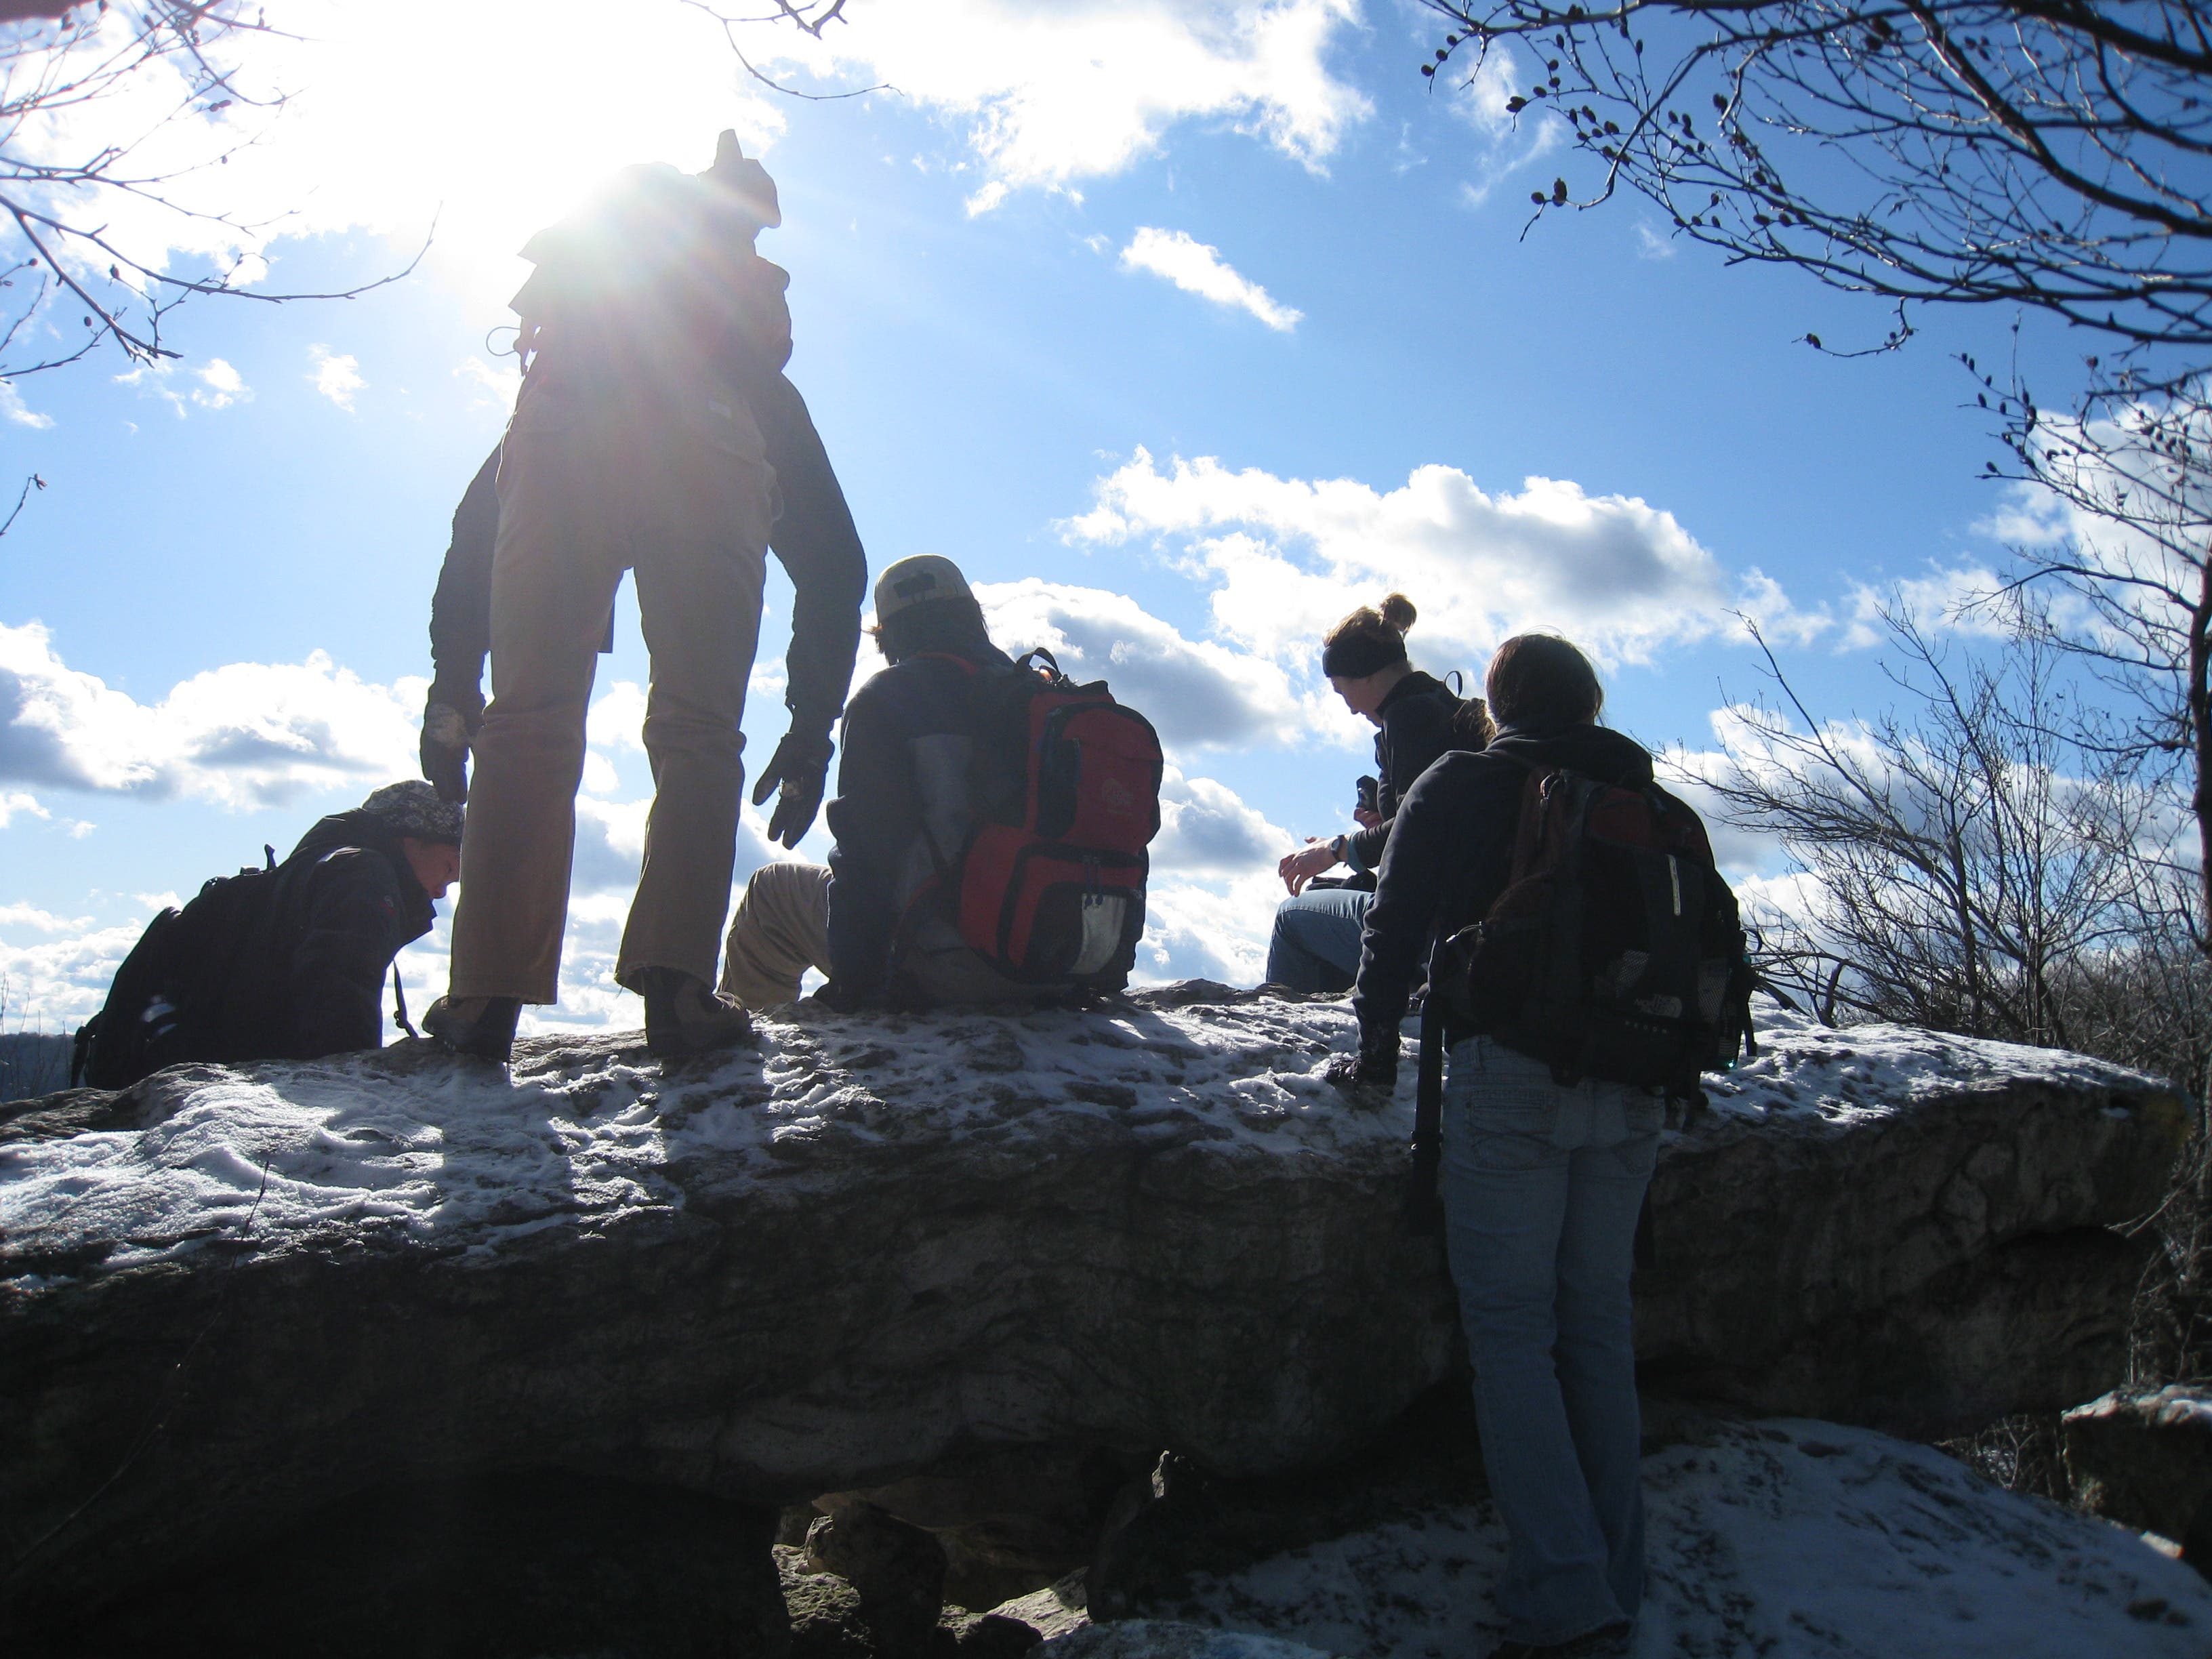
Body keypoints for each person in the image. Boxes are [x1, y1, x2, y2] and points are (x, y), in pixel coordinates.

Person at [416, 132, 863, 1065]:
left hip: (557, 439)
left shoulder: (577, 348)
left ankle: (482, 1006)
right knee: (699, 731)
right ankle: (679, 997)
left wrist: (455, 688)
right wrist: (812, 722)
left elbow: (472, 529)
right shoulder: (749, 375)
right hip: (713, 444)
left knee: (528, 721)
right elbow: (836, 563)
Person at [1345, 635, 1659, 1659]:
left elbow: (1392, 926)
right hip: (1634, 1079)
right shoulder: (1636, 788)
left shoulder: (1465, 779)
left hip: (1508, 1075)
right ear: (1590, 701)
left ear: (1500, 700)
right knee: (1598, 1329)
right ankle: (1618, 1571)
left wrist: (1377, 1046)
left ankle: (1568, 1603)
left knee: (1514, 1334)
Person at [716, 553, 1071, 1012]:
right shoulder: (1043, 694)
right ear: (973, 615)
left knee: (771, 888)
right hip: (1059, 963)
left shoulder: (888, 699)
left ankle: (748, 1040)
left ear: (887, 634)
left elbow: (868, 857)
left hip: (954, 968)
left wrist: (856, 986)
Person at [73, 781, 465, 1085]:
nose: (441, 891)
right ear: (410, 839)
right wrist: (354, 1088)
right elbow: (339, 990)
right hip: (259, 1082)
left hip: (206, 1068)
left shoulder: (305, 871)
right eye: (448, 870)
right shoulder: (361, 874)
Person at [1266, 594, 1489, 991]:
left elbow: (1418, 837)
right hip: (1465, 913)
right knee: (1329, 894)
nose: (1349, 708)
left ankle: (1291, 1043)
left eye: (1342, 691)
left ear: (1366, 675)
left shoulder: (1409, 718)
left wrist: (1336, 849)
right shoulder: (1442, 706)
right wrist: (1374, 833)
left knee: (1292, 917)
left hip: (1427, 928)